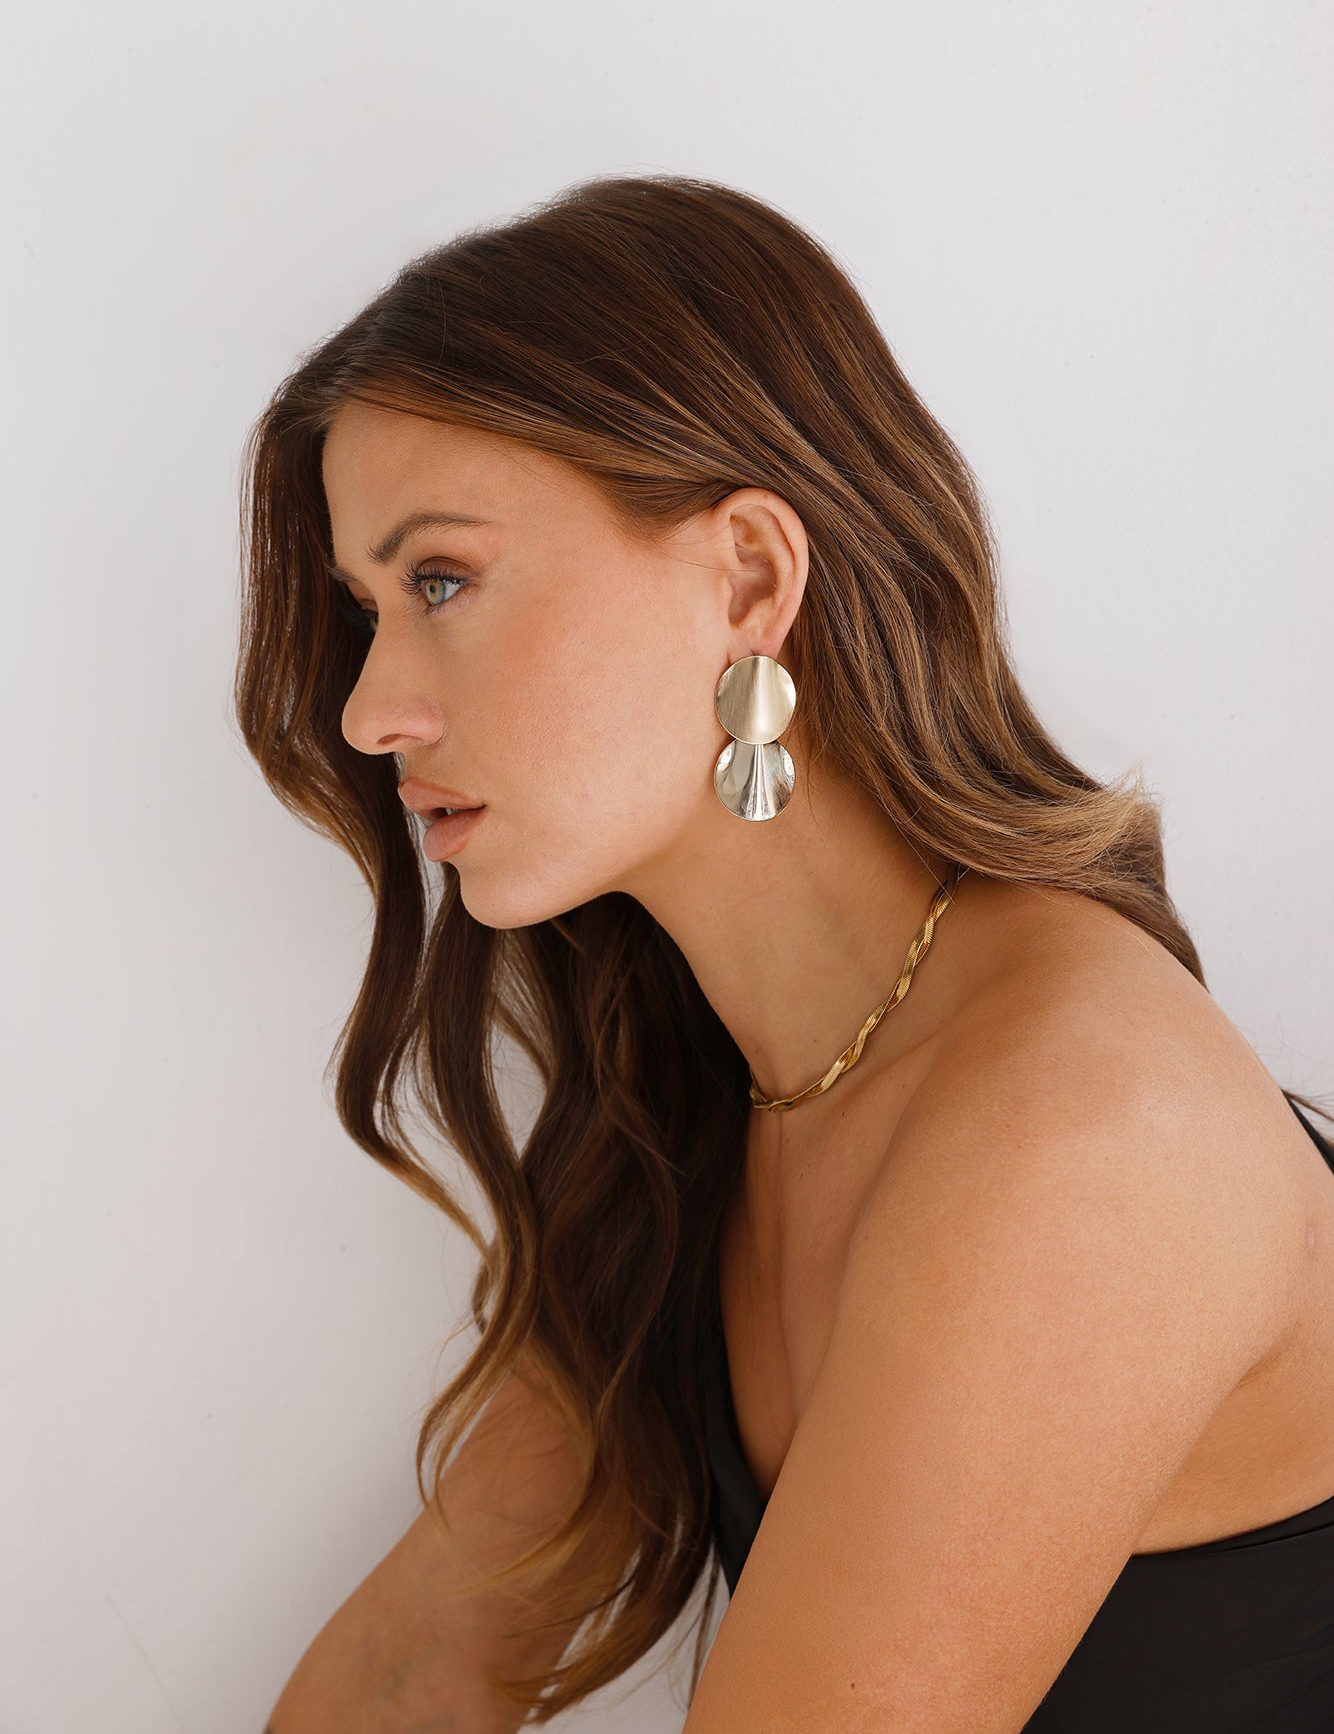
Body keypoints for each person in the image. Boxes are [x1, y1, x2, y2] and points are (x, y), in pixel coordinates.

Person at [238, 174, 1334, 1732]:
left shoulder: (1081, 1125)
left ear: (748, 578)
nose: (367, 711)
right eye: (367, 608)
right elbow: (422, 1666)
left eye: (441, 581)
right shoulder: (712, 1095)